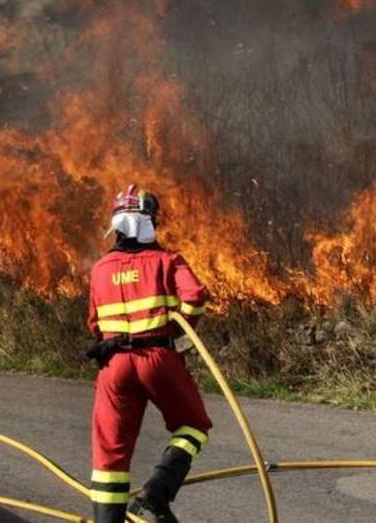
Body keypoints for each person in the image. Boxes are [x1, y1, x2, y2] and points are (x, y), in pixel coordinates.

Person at [85, 185, 213, 523]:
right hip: (157, 359)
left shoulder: (99, 269)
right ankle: (154, 496)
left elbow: (95, 323)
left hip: (113, 366)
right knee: (193, 425)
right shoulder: (166, 261)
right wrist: (179, 327)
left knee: (110, 452)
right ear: (148, 223)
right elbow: (196, 296)